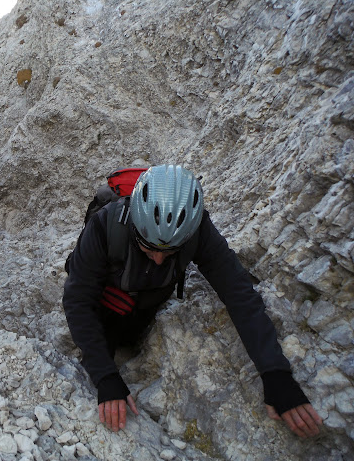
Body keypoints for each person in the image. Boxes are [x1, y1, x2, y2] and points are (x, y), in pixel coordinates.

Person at [62, 164, 323, 438]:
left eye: (170, 251)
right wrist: (105, 375)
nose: (160, 259)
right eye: (149, 248)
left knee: (130, 335)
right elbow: (78, 299)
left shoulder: (197, 229)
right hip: (107, 298)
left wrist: (275, 372)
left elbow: (239, 292)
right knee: (108, 333)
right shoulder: (105, 224)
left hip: (147, 300)